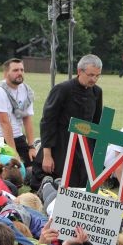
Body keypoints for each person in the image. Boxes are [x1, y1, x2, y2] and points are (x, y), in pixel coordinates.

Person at [30, 54, 103, 190]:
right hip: (61, 143)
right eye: (91, 75)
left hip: (84, 147)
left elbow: (96, 123)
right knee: (58, 182)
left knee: (81, 186)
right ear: (79, 71)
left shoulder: (97, 92)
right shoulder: (62, 89)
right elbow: (47, 121)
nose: (94, 79)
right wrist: (47, 155)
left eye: (97, 76)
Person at [0, 58, 36, 167]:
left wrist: (31, 147)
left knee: (34, 167)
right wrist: (13, 152)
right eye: (15, 70)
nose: (20, 73)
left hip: (17, 137)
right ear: (6, 74)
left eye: (22, 70)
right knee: (8, 170)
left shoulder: (26, 91)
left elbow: (27, 119)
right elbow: (4, 123)